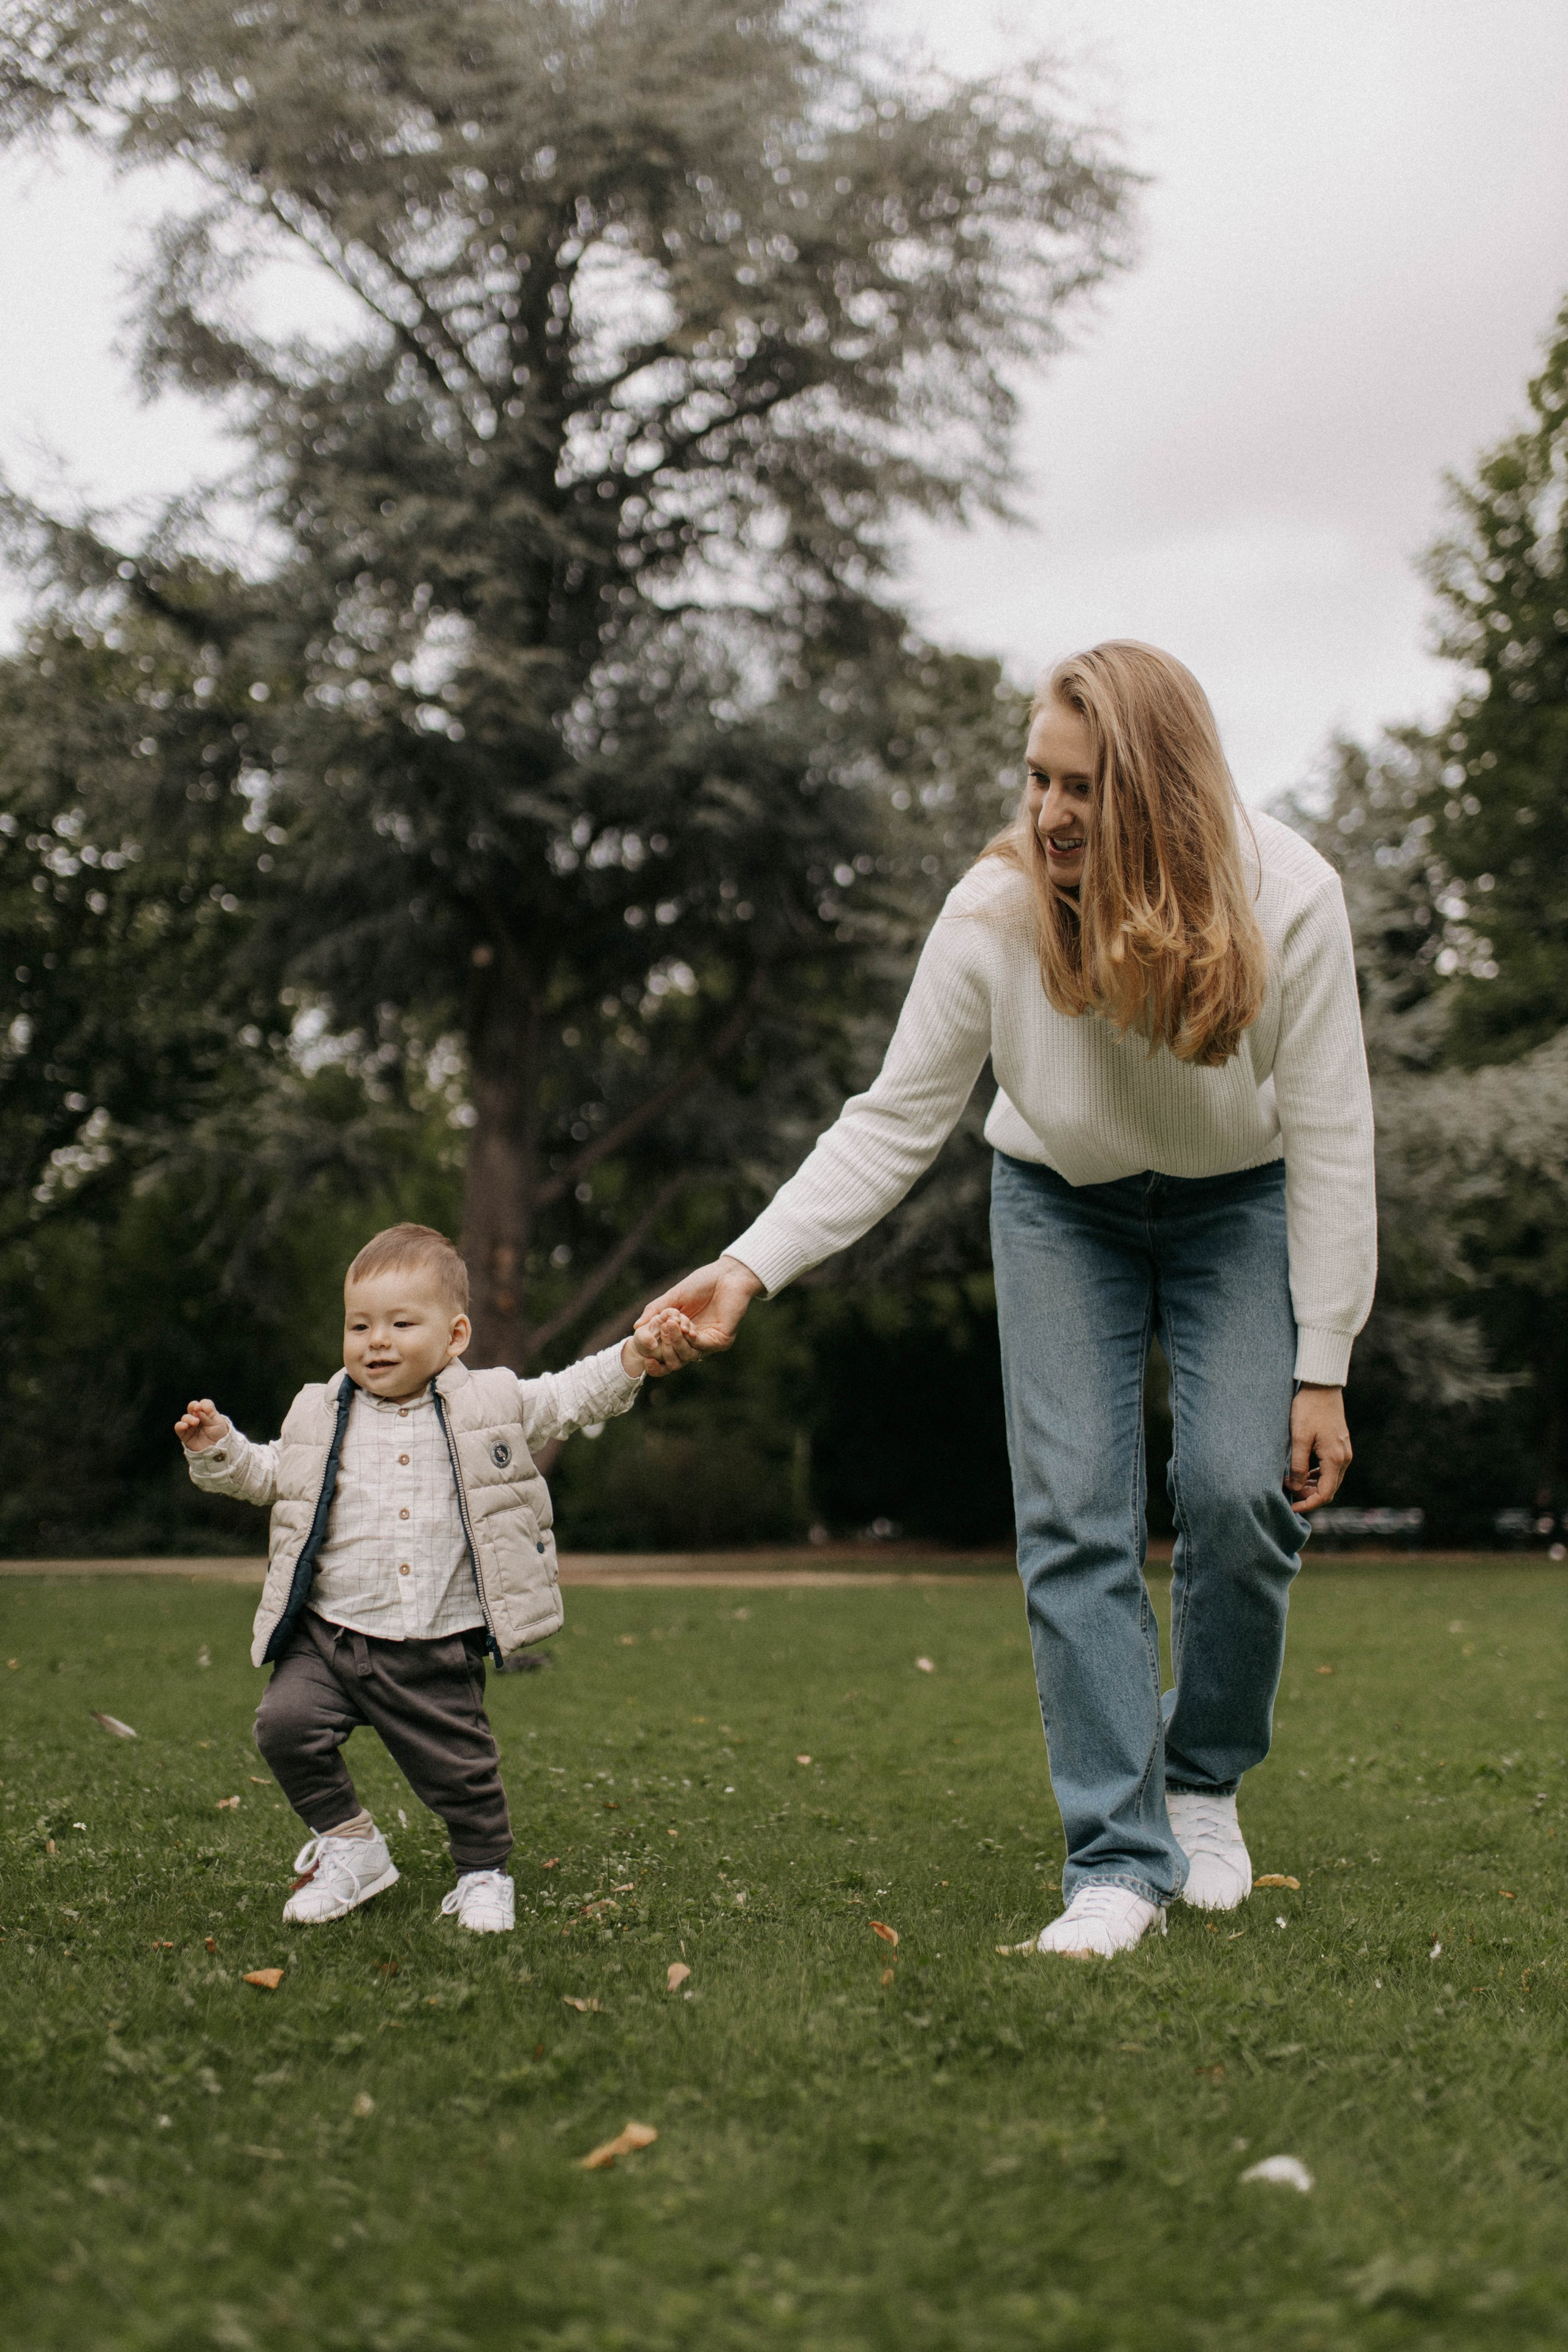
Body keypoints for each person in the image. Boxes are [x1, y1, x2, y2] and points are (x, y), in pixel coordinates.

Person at [643, 642, 1374, 1959]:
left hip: (1234, 1204)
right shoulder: (992, 910)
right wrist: (748, 1263)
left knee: (1231, 1494)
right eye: (1036, 778)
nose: (1046, 814)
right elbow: (891, 1120)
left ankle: (1198, 1778)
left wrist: (1320, 1360)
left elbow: (1330, 1137)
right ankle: (1111, 1859)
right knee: (1075, 1516)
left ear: (1157, 792)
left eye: (1081, 787)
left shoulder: (1290, 897)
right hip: (1060, 1206)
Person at [176, 1221, 698, 1934]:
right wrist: (219, 1448)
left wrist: (635, 1355)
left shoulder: (493, 1403)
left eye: (399, 1323)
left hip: (435, 1635)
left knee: (461, 1774)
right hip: (330, 1631)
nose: (375, 1341)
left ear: (454, 1337)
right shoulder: (319, 1412)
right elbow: (269, 1476)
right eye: (358, 1325)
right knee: (284, 1726)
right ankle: (352, 1849)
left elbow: (572, 1395)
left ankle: (484, 1875)